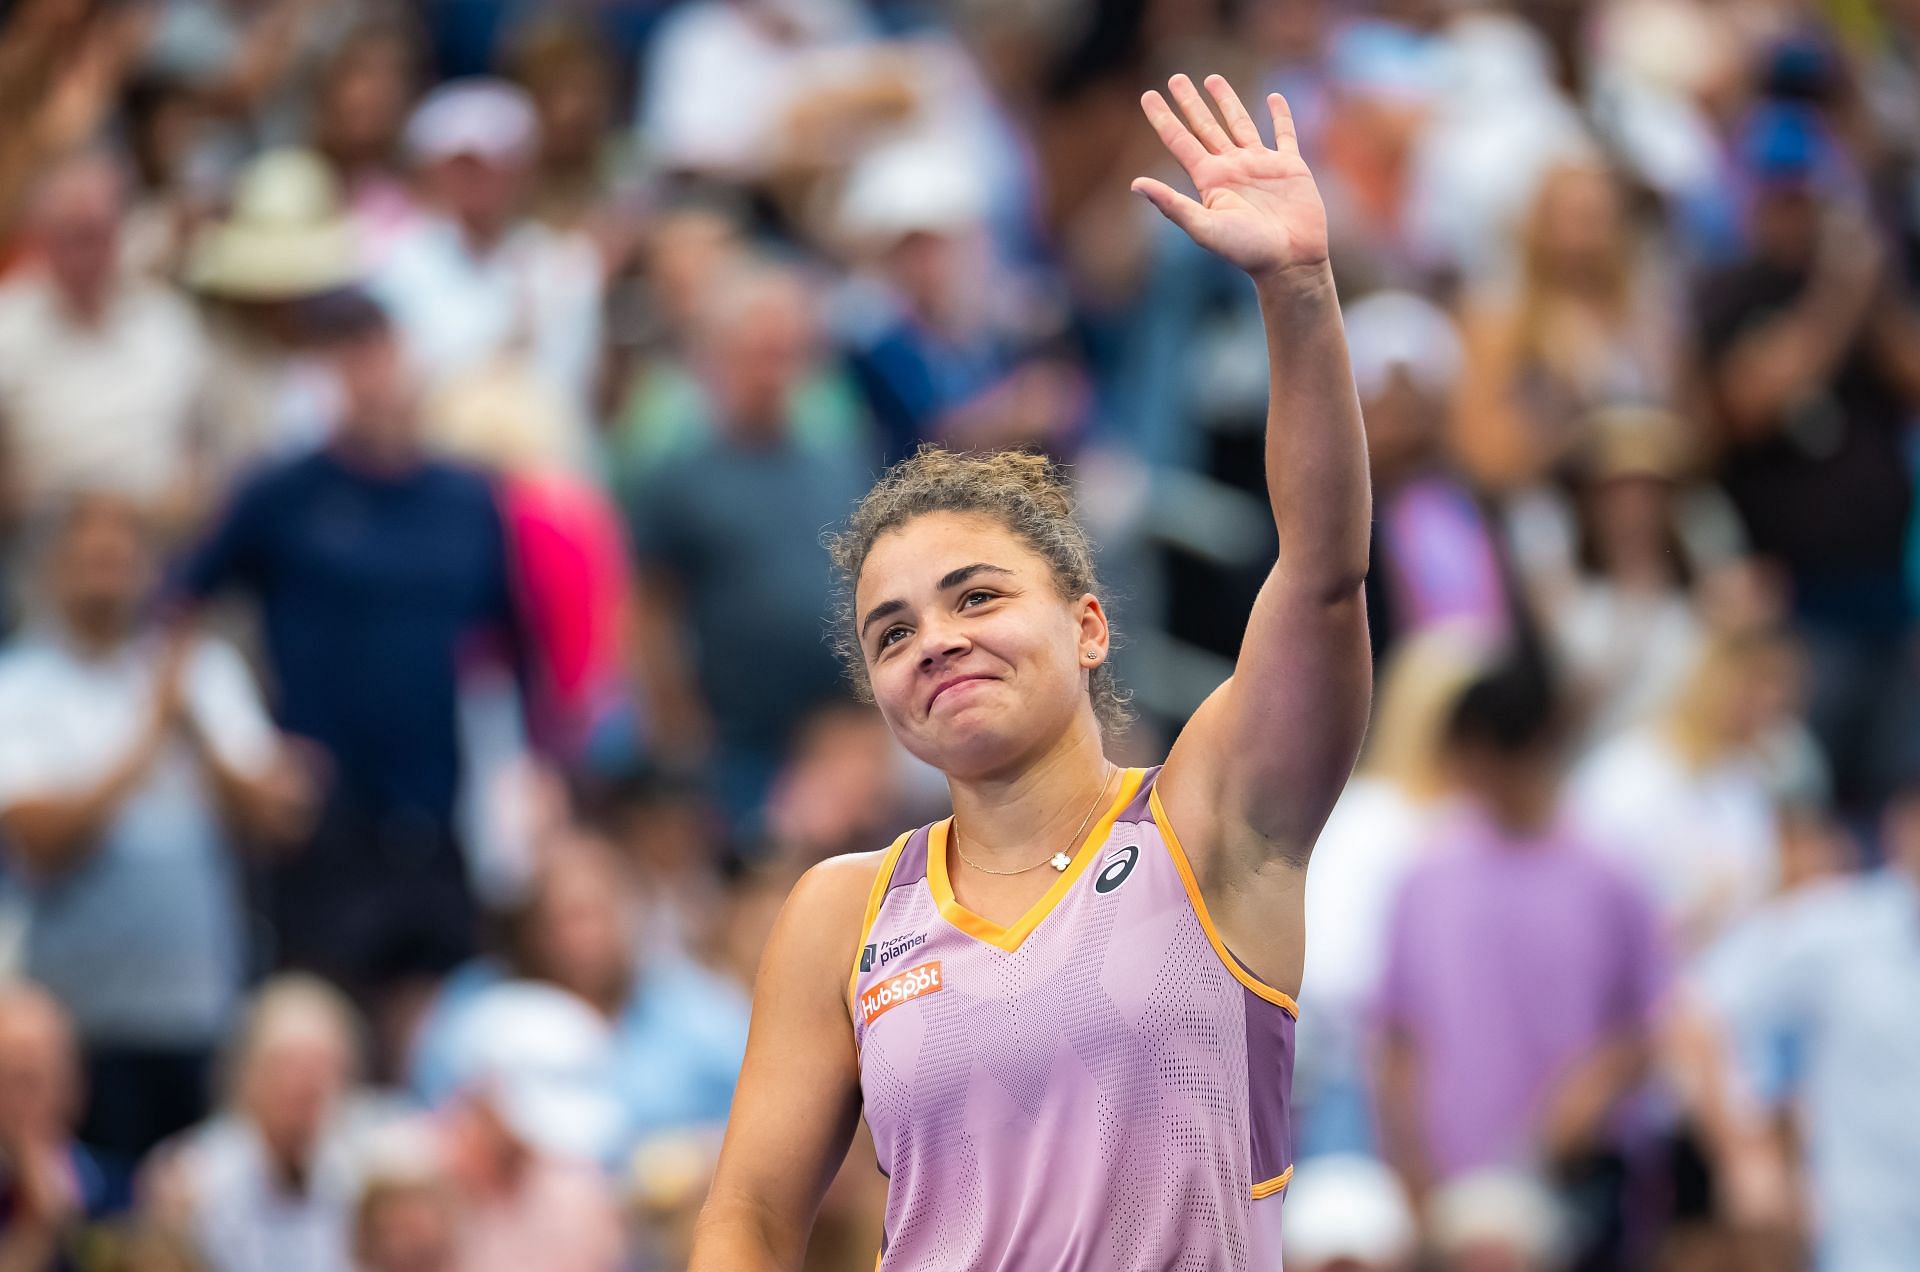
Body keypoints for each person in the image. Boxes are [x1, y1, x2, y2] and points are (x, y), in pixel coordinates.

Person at [690, 73, 1373, 1269]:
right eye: (893, 632)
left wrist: (1298, 292)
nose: (937, 640)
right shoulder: (842, 914)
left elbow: (1320, 572)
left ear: (1091, 626)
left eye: (978, 597)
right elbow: (745, 1216)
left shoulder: (1207, 818)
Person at [173, 290, 525, 1038]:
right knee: (321, 1020)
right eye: (349, 358)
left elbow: (503, 650)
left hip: (437, 811)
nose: (372, 376)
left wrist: (521, 780)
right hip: (321, 817)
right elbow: (178, 616)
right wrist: (244, 752)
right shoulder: (283, 493)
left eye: (382, 352)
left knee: (434, 1023)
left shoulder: (468, 498)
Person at [0, 493, 311, 1165]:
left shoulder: (201, 674)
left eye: (122, 555)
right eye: (90, 556)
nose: (107, 570)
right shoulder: (21, 688)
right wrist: (149, 734)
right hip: (80, 1013)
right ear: (53, 570)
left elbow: (277, 818)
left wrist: (195, 729)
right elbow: (40, 842)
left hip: (199, 1006)